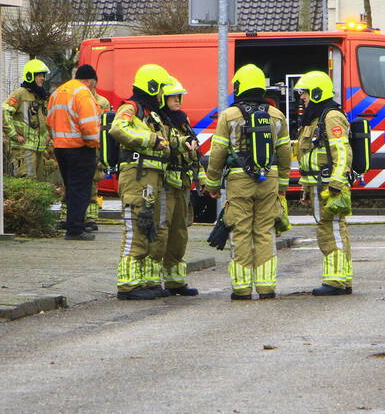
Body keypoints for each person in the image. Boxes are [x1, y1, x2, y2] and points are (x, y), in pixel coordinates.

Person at [203, 64, 291, 300]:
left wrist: (212, 183)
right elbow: (285, 152)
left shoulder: (229, 115)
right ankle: (266, 286)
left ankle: (241, 288)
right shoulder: (276, 115)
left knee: (241, 231)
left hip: (239, 179)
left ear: (239, 86)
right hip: (269, 178)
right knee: (265, 231)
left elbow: (218, 151)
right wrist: (282, 183)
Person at [109, 63, 172, 300]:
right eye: (160, 89)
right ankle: (127, 285)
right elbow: (118, 129)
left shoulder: (151, 113)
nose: (161, 94)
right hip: (136, 177)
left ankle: (143, 282)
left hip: (151, 179)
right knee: (134, 229)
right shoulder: (131, 108)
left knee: (148, 230)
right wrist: (151, 139)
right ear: (152, 86)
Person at [294, 70, 354, 296]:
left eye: (306, 93)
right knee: (333, 229)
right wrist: (305, 189)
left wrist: (336, 184)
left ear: (317, 93)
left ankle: (336, 281)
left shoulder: (330, 117)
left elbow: (342, 152)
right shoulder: (316, 118)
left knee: (331, 231)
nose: (303, 98)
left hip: (329, 186)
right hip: (319, 185)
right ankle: (342, 278)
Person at [147, 75, 200, 296]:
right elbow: (164, 147)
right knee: (161, 230)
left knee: (180, 232)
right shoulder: (158, 121)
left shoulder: (182, 120)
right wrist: (182, 144)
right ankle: (151, 281)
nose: (177, 100)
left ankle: (175, 281)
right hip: (165, 185)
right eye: (172, 97)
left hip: (183, 185)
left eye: (179, 97)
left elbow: (194, 151)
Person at [46, 64, 101, 241]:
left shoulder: (58, 92)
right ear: (91, 80)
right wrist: (94, 143)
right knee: (81, 189)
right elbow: (89, 125)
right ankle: (75, 229)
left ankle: (73, 223)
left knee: (71, 187)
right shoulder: (83, 93)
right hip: (80, 147)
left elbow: (48, 121)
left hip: (60, 147)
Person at [3, 59, 53, 181]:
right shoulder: (20, 93)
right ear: (30, 76)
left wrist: (47, 136)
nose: (43, 78)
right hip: (24, 148)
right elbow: (4, 112)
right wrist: (15, 136)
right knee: (28, 181)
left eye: (43, 75)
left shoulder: (40, 96)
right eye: (39, 75)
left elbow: (43, 119)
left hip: (40, 148)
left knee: (40, 183)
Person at [86, 70, 113, 230]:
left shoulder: (102, 102)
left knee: (93, 185)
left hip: (96, 148)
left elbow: (104, 129)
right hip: (81, 146)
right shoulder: (78, 99)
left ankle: (91, 219)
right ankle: (68, 216)